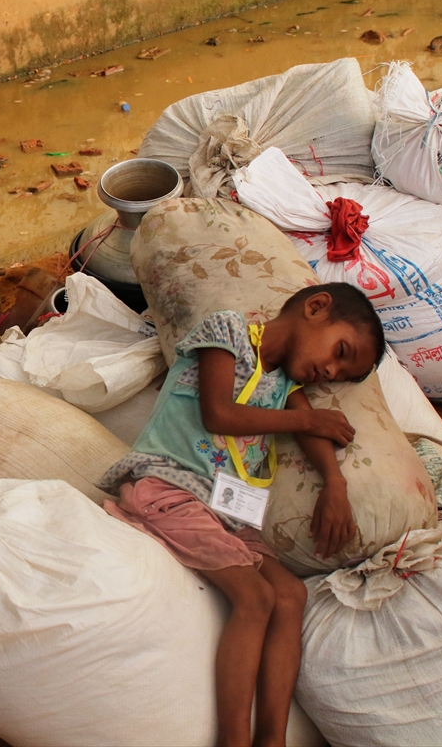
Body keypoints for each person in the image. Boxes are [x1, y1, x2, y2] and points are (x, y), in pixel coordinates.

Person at [99, 282, 385, 746]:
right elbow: (219, 415)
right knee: (255, 599)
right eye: (339, 351)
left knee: (290, 595)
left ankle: (272, 739)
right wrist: (309, 419)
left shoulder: (286, 385)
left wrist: (335, 483)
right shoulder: (227, 331)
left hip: (225, 512)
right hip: (166, 485)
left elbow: (314, 432)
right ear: (315, 307)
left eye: (338, 372)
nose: (328, 370)